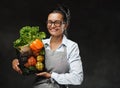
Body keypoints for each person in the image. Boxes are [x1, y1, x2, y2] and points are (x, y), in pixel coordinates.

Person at [12, 4, 83, 88]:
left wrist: (51, 75)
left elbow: (78, 78)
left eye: (57, 22)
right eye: (50, 22)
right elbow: (27, 59)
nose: (52, 26)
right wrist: (16, 61)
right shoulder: (40, 44)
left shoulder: (71, 46)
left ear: (65, 25)